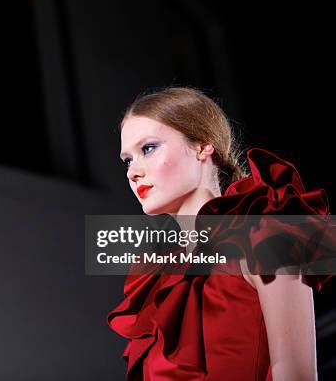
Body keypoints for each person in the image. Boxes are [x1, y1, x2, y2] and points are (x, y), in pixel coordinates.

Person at [106, 87, 333, 380]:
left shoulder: (265, 236)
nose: (132, 172)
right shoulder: (158, 282)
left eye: (148, 149)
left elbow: (296, 375)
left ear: (202, 146)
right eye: (127, 160)